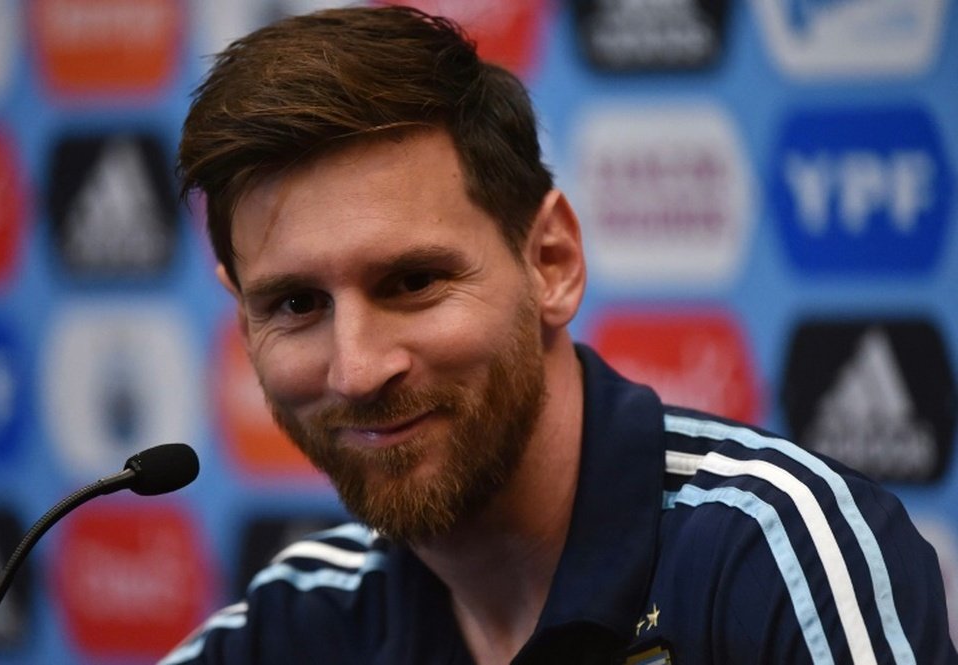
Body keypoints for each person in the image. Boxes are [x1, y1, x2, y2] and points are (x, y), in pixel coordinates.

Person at [160, 6, 956, 664]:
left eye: (413, 282)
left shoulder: (780, 557)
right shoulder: (298, 619)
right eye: (296, 304)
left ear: (552, 262)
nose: (358, 368)